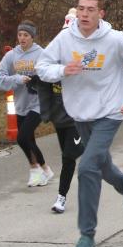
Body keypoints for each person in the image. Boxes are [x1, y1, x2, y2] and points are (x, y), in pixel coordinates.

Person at [36, 0, 123, 247]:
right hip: (80, 114)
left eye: (90, 9)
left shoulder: (114, 40)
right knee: (101, 165)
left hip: (111, 111)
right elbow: (42, 66)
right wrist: (61, 71)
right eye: (81, 8)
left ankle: (87, 235)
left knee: (88, 166)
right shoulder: (65, 39)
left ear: (101, 13)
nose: (84, 14)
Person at [0, 21, 54, 186]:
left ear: (32, 37)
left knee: (22, 137)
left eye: (26, 35)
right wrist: (17, 79)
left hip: (39, 103)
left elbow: (50, 75)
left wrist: (37, 81)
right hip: (21, 104)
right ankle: (45, 169)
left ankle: (34, 170)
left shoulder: (41, 54)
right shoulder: (12, 55)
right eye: (20, 34)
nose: (22, 38)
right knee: (29, 140)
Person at [37, 74, 85, 214]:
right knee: (68, 155)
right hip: (59, 119)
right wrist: (34, 80)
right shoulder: (52, 67)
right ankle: (87, 147)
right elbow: (42, 86)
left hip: (76, 119)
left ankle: (61, 197)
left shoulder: (76, 63)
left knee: (68, 157)